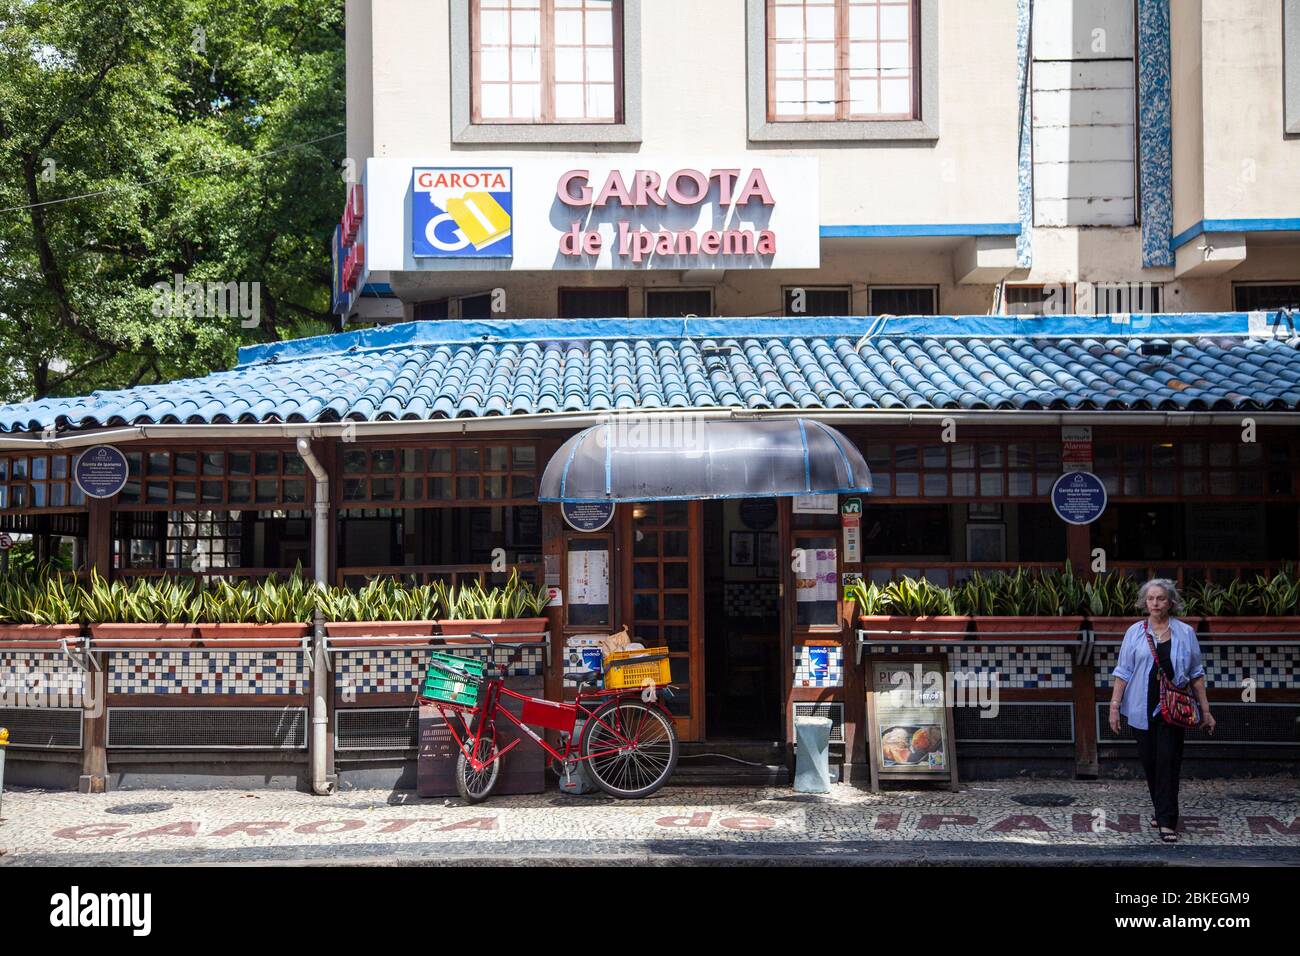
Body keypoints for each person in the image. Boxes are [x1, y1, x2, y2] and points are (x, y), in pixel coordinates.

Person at [1107, 578, 1216, 843]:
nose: (1155, 603)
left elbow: (1196, 674)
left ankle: (1167, 820)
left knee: (1169, 760)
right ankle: (1160, 808)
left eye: (1161, 599)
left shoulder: (1185, 632)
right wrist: (1114, 706)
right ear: (1145, 602)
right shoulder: (1134, 632)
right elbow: (1123, 672)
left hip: (1174, 708)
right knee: (1151, 761)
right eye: (1151, 599)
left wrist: (1206, 710)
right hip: (1141, 707)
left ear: (1171, 602)